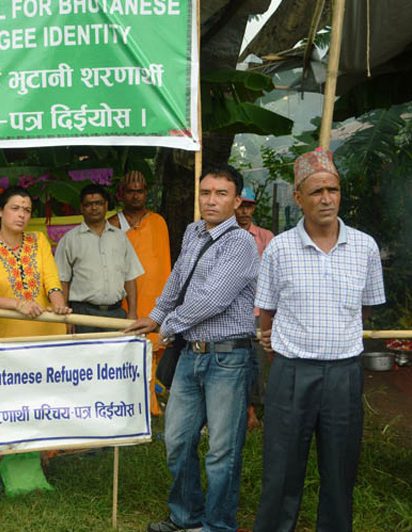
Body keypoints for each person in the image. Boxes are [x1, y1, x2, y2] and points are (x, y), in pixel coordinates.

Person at [253, 148, 385, 532]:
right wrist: (280, 352)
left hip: (344, 374)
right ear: (299, 198)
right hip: (291, 372)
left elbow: (364, 310)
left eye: (333, 189)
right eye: (316, 192)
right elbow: (266, 312)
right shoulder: (279, 249)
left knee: (341, 470)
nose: (326, 199)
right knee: (281, 470)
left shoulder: (364, 247)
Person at [125, 164, 259, 532]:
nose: (211, 200)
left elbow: (213, 298)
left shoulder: (241, 243)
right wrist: (155, 316)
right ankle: (186, 516)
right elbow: (177, 280)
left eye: (221, 194)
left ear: (237, 201)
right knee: (177, 441)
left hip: (228, 356)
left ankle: (218, 525)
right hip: (189, 354)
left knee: (222, 451)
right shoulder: (193, 231)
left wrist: (169, 326)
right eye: (206, 193)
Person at [0, 187, 71, 338]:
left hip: (50, 333)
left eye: (27, 210)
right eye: (15, 208)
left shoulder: (38, 240)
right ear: (0, 211)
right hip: (9, 339)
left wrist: (59, 306)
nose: (21, 215)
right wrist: (18, 304)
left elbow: (52, 282)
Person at [108, 171, 171, 415]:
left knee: (153, 346)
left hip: (155, 295)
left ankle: (150, 399)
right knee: (127, 346)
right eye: (131, 191)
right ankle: (128, 399)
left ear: (146, 193)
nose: (136, 196)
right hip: (126, 298)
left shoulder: (158, 221)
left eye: (140, 191)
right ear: (122, 194)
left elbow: (163, 260)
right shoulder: (113, 224)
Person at [54, 184, 144, 333]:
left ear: (106, 205)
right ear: (82, 208)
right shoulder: (70, 239)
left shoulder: (120, 237)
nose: (94, 208)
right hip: (82, 315)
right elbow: (62, 281)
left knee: (117, 350)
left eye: (98, 203)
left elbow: (129, 277)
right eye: (89, 204)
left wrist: (132, 312)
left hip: (116, 313)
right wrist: (66, 316)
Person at [235, 185, 275, 429]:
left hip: (259, 310)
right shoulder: (223, 235)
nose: (244, 211)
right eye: (241, 206)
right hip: (231, 312)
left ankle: (256, 407)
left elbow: (274, 275)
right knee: (236, 360)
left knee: (258, 361)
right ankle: (244, 408)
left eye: (249, 207)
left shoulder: (265, 237)